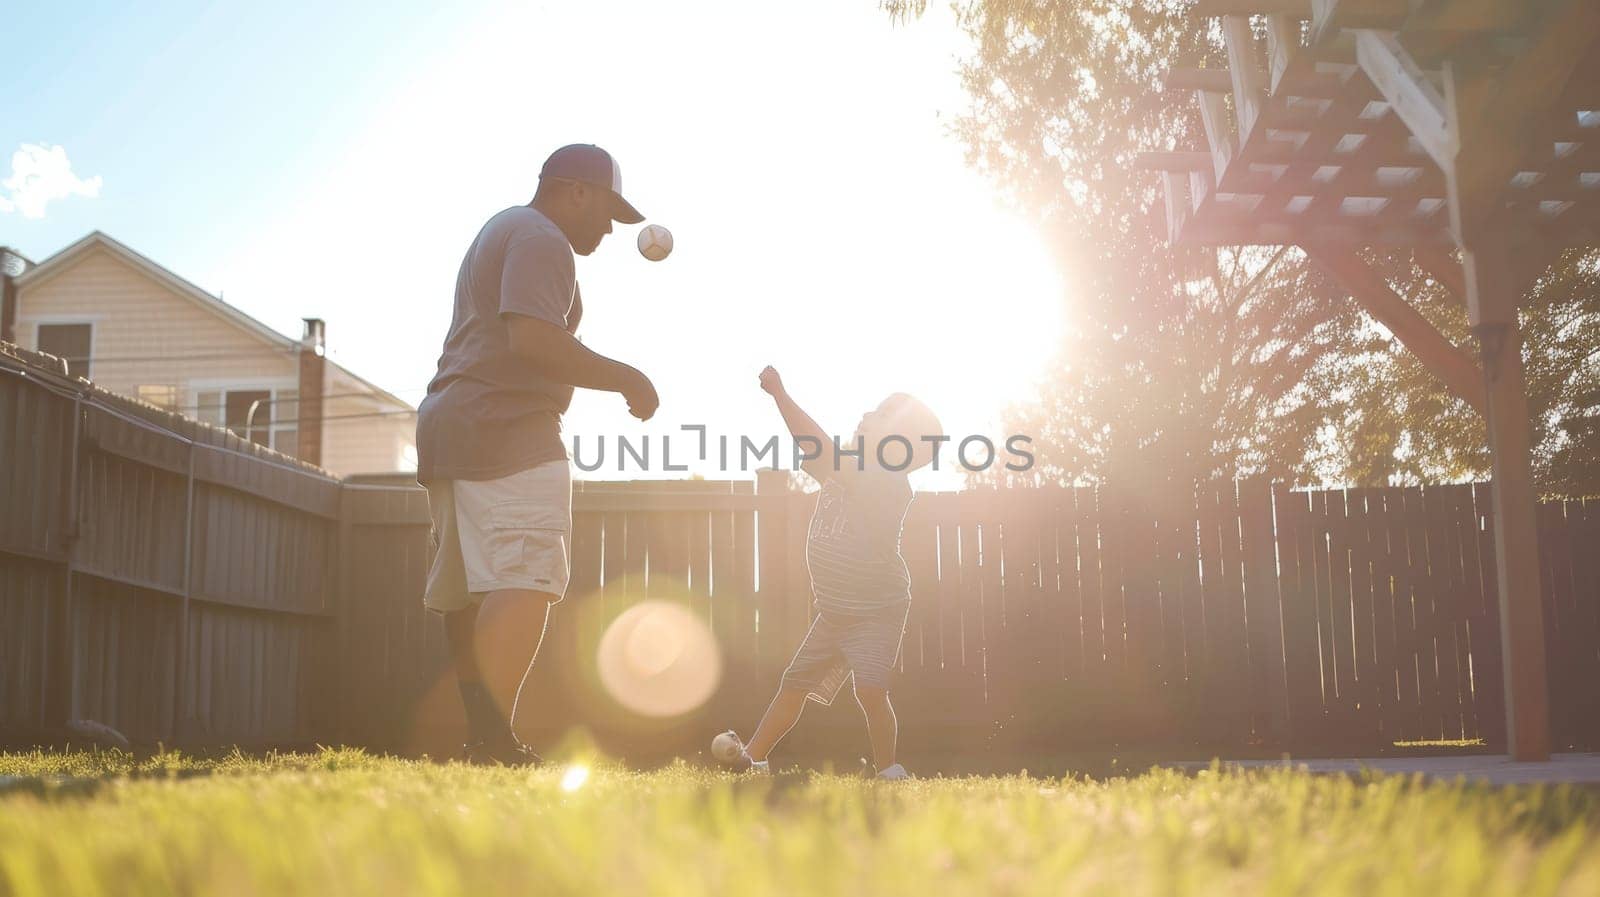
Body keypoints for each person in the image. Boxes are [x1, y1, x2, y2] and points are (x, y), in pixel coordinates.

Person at [415, 144, 660, 765]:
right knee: (525, 578)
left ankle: (486, 739)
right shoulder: (541, 238)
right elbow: (532, 339)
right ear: (574, 190)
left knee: (471, 594)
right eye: (607, 210)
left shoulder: (502, 227)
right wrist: (628, 377)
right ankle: (494, 739)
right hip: (507, 428)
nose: (609, 228)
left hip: (453, 422)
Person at [717, 366, 942, 780]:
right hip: (835, 610)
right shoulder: (846, 470)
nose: (865, 415)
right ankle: (754, 757)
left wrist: (781, 395)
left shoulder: (888, 483)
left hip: (877, 609)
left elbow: (818, 444)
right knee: (794, 682)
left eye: (878, 416)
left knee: (870, 691)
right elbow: (819, 452)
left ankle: (889, 769)